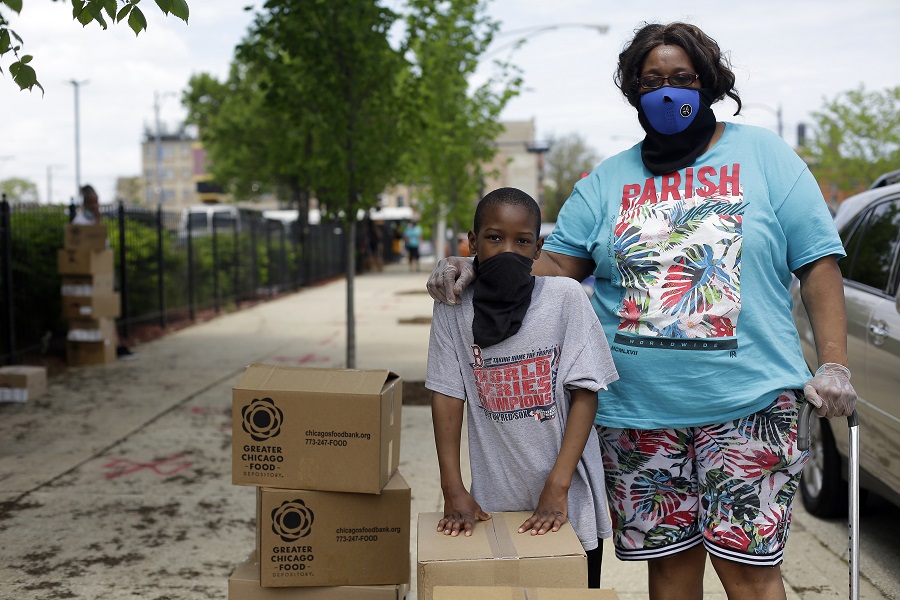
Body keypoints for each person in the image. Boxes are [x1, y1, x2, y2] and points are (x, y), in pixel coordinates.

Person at [426, 22, 857, 600]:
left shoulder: (766, 157)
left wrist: (834, 364)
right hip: (637, 415)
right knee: (671, 573)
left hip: (749, 404)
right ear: (634, 93)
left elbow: (818, 264)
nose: (667, 91)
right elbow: (550, 266)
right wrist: (478, 267)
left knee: (750, 575)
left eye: (681, 78)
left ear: (707, 82)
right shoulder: (607, 181)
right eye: (651, 81)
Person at [426, 187, 619, 589]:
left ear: (537, 249)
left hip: (567, 504)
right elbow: (446, 394)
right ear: (473, 242)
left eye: (522, 241)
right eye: (494, 238)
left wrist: (558, 485)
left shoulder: (565, 299)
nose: (508, 250)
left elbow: (586, 394)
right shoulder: (454, 306)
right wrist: (452, 486)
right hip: (494, 506)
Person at [72, 184, 138, 361]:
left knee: (108, 310)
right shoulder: (80, 223)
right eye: (91, 203)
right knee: (99, 312)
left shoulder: (95, 221)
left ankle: (114, 344)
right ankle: (109, 346)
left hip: (104, 273)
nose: (95, 207)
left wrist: (98, 222)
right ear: (84, 204)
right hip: (92, 275)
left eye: (96, 203)